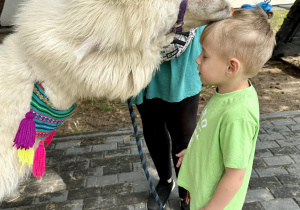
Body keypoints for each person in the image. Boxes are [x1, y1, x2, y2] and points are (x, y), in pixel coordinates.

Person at [176, 7, 276, 210]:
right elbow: (214, 140)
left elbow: (235, 175)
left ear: (231, 67)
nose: (197, 60)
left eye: (204, 56)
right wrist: (194, 153)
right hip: (202, 192)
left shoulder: (237, 115)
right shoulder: (227, 91)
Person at [132, 26, 206, 209]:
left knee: (184, 131)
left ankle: (186, 191)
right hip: (142, 46)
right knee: (152, 124)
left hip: (184, 44)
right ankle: (165, 181)